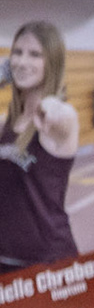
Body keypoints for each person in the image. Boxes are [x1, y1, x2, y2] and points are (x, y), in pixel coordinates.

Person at [0, 21, 80, 270]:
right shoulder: (5, 124)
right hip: (5, 262)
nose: (22, 62)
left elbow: (62, 117)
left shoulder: (61, 117)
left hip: (49, 263)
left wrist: (50, 108)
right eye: (18, 52)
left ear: (52, 63)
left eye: (35, 55)